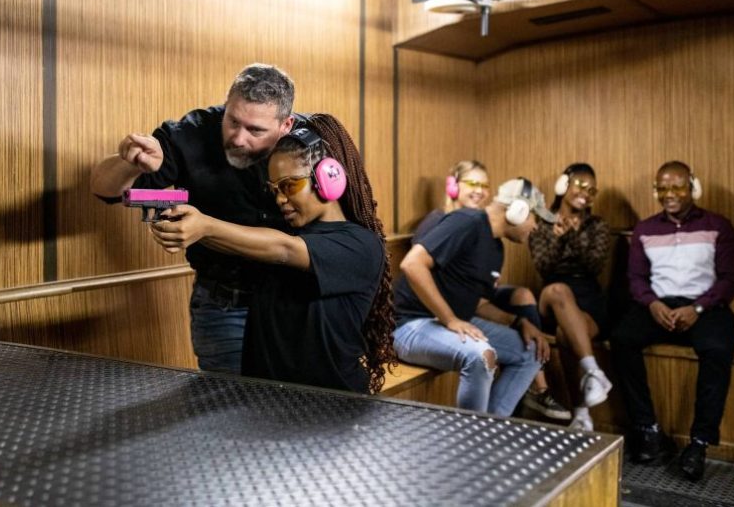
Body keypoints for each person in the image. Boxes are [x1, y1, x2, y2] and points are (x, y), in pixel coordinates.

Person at [148, 114, 396, 393]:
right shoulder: (286, 234)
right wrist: (189, 226)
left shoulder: (360, 245)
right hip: (272, 406)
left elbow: (284, 250)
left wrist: (205, 226)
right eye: (275, 189)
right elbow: (258, 243)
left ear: (329, 177)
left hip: (335, 407)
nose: (280, 198)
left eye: (290, 186)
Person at [90, 63, 298, 374]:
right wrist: (129, 161)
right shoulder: (192, 133)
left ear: (286, 125)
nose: (239, 138)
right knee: (225, 411)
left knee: (299, 410)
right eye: (232, 121)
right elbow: (104, 190)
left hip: (297, 302)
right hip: (223, 304)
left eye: (255, 130)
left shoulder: (311, 144)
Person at [610, 161, 734, 481]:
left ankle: (698, 444)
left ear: (692, 187)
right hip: (658, 307)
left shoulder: (718, 225)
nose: (669, 194)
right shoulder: (645, 228)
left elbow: (731, 279)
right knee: (621, 339)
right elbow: (636, 279)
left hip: (705, 309)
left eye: (677, 187)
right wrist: (652, 304)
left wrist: (697, 308)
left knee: (717, 349)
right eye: (663, 188)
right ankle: (647, 427)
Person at [414, 161, 570, 421]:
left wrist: (519, 322)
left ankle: (492, 430)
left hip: (458, 316)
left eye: (483, 185)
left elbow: (475, 301)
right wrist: (450, 319)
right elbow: (412, 265)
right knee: (479, 354)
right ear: (519, 211)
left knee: (530, 347)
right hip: (420, 320)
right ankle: (473, 443)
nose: (535, 227)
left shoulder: (494, 245)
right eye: (534, 218)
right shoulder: (458, 221)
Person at [529, 163, 612, 431]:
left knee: (568, 334)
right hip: (550, 297)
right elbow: (543, 266)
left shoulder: (597, 225)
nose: (586, 194)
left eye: (592, 190)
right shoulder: (542, 222)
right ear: (563, 185)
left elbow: (594, 266)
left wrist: (572, 236)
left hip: (588, 297)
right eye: (580, 185)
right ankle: (594, 372)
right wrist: (558, 239)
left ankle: (581, 414)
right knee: (557, 290)